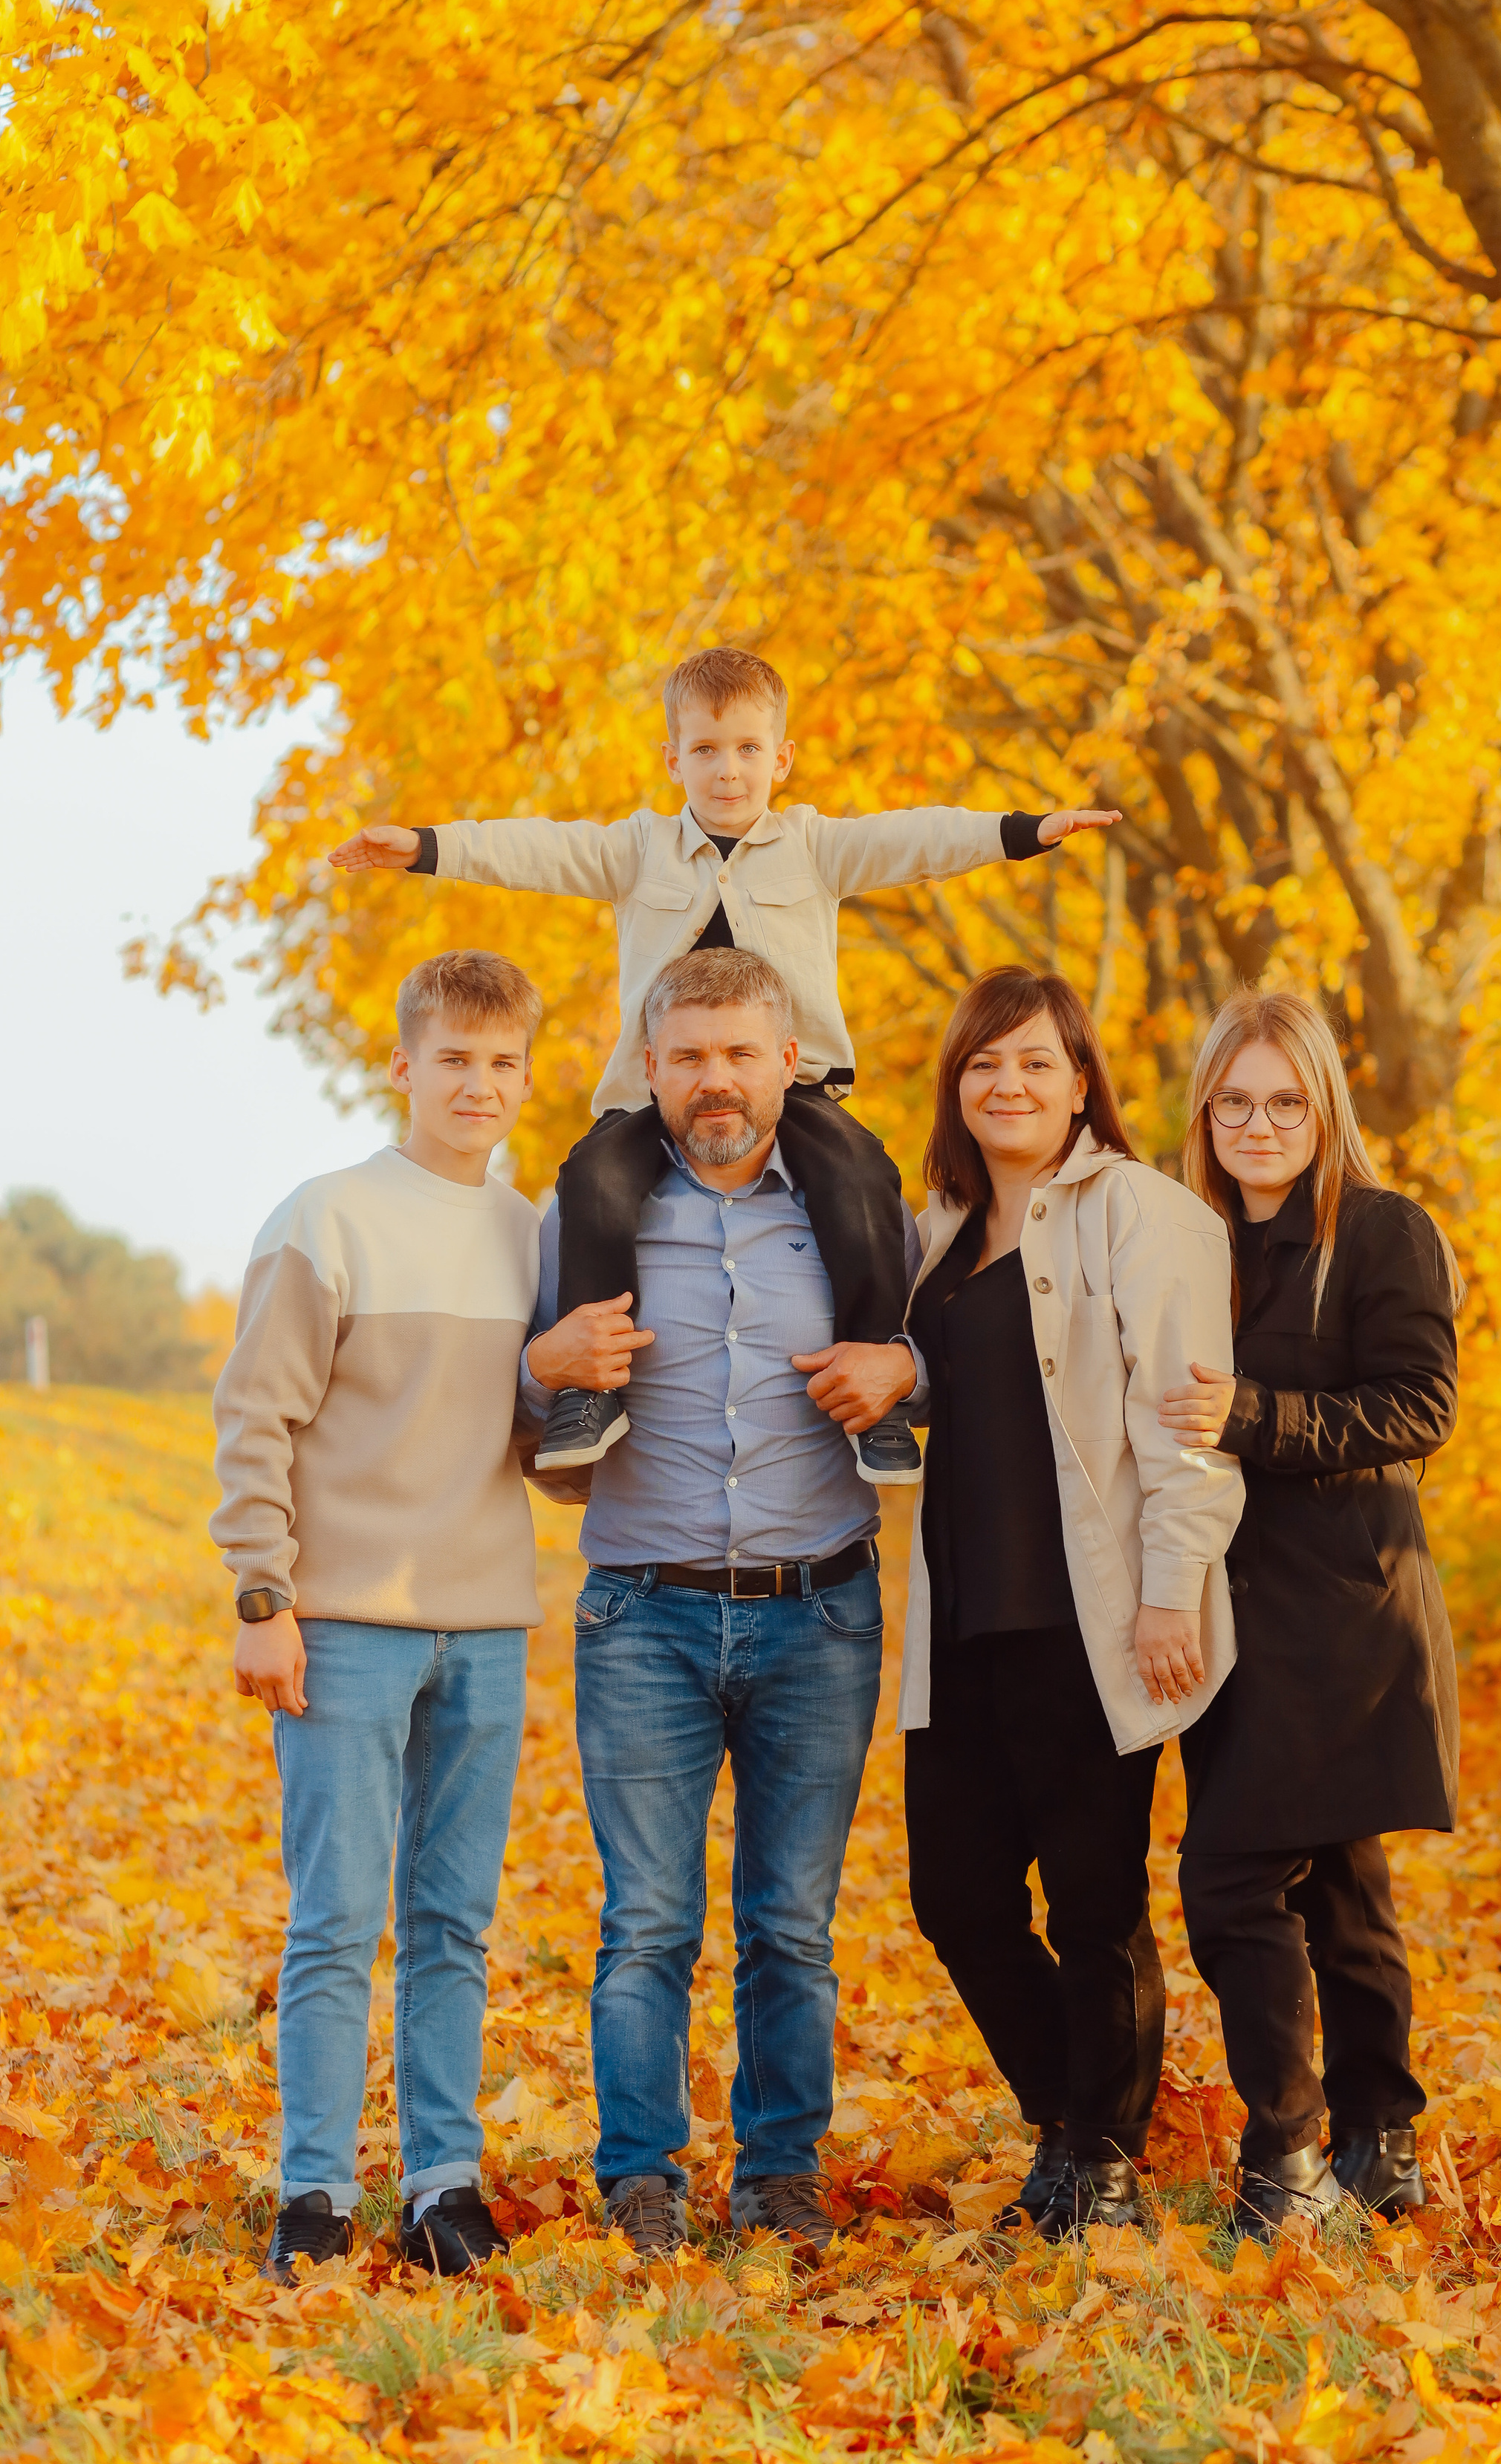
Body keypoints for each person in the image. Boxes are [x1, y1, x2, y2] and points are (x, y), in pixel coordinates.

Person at [330, 644, 1118, 1478]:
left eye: (748, 749)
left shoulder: (814, 847)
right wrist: (421, 846)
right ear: (673, 759)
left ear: (781, 757)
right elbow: (532, 850)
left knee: (861, 1180)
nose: (728, 771)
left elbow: (916, 839)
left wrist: (1027, 832)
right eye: (705, 750)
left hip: (796, 1092)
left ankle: (869, 1381)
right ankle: (592, 1393)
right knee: (590, 1179)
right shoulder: (638, 850)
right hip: (654, 1096)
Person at [515, 946, 925, 2257]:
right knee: (647, 1925)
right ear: (650, 1069)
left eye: (742, 1052)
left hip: (822, 1612)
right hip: (644, 1615)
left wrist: (902, 1364)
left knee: (790, 1928)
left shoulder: (856, 1208)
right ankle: (643, 2177)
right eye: (689, 1056)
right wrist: (544, 1364)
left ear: (788, 1060)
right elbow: (523, 1403)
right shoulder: (587, 1213)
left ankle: (780, 2179)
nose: (716, 1081)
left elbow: (931, 1350)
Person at [211, 952, 555, 2279]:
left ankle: (442, 2184)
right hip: (343, 1622)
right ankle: (313, 2191)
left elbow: (544, 1432)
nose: (479, 1084)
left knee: (456, 1921)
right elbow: (258, 1416)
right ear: (404, 1068)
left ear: (526, 1079)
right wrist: (263, 1593)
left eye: (503, 1063)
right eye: (454, 1060)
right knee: (339, 1917)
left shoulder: (535, 1236)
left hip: (484, 1624)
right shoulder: (328, 1217)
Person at [897, 967, 1245, 2240]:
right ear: (958, 1084)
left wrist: (1170, 1595)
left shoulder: (1143, 1216)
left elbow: (1189, 1431)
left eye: (1038, 1061)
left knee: (1095, 1905)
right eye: (985, 1063)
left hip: (1088, 1624)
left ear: (1083, 1080)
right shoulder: (937, 1234)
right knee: (957, 1900)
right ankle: (1068, 2116)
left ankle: (1097, 2167)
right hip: (962, 1624)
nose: (1010, 1085)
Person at [1158, 989, 1462, 2240]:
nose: (1260, 1124)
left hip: (1342, 1611)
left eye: (1285, 1101)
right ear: (1206, 1113)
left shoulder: (1384, 1232)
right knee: (1340, 1881)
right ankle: (1379, 2145)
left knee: (1229, 1880)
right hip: (1221, 1607)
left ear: (1324, 1105)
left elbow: (1418, 1408)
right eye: (1236, 1102)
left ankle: (1286, 2160)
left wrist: (1253, 1417)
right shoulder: (1186, 1242)